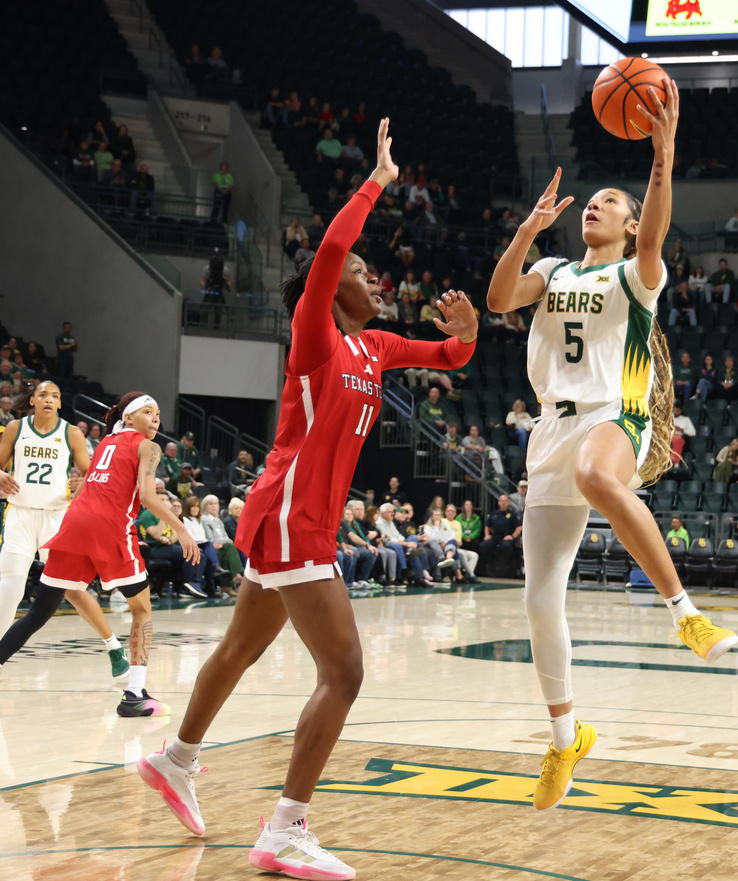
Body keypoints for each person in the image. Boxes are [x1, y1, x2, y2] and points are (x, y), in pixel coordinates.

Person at [138, 119, 478, 879]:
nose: (372, 275)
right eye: (363, 268)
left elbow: (449, 354)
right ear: (336, 288)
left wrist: (469, 332)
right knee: (346, 670)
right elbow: (325, 252)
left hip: (290, 514)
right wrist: (378, 181)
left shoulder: (377, 346)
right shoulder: (313, 332)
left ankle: (176, 757)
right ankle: (286, 826)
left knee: (241, 645)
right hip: (293, 512)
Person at [487, 80, 738, 812]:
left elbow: (658, 232)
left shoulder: (637, 274)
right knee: (539, 598)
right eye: (590, 201)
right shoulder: (555, 271)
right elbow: (501, 299)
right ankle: (566, 738)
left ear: (628, 228)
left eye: (610, 203)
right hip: (550, 427)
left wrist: (661, 155)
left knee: (602, 474)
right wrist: (528, 230)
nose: (594, 205)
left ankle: (683, 610)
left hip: (615, 410)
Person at [0, 392, 200, 715]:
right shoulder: (148, 447)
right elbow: (148, 497)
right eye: (148, 412)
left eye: (158, 414)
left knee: (38, 614)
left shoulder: (106, 442)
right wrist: (183, 529)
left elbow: (83, 487)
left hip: (76, 522)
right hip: (109, 527)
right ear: (130, 417)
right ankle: (134, 694)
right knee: (142, 610)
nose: (155, 418)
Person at [0, 381, 130, 677]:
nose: (49, 399)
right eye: (43, 395)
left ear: (60, 404)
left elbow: (91, 475)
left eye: (55, 396)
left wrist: (82, 482)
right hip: (20, 514)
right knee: (9, 586)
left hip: (57, 519)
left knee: (73, 590)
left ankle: (113, 647)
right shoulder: (15, 429)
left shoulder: (71, 433)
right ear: (32, 400)